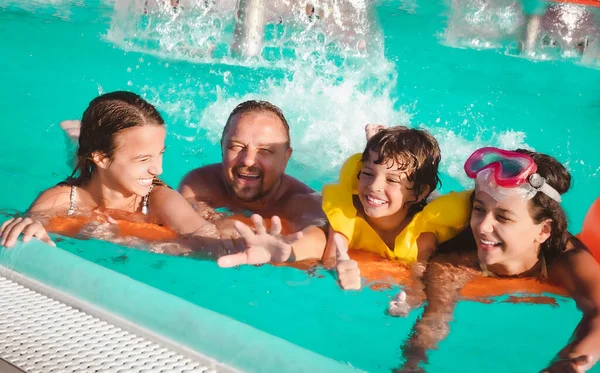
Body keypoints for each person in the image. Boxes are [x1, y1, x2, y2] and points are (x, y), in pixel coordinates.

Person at [397, 147, 600, 373]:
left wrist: (568, 363)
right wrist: (412, 364)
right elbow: (434, 319)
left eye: (503, 217)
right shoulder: (454, 262)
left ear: (543, 231)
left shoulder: (567, 260)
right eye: (478, 209)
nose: (483, 227)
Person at [0, 91, 219, 253]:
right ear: (102, 157)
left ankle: (82, 140)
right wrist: (29, 229)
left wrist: (126, 237)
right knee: (79, 160)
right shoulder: (60, 201)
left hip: (103, 164)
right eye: (144, 158)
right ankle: (77, 140)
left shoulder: (159, 199)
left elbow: (210, 242)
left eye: (160, 153)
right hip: (96, 164)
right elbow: (25, 232)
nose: (158, 169)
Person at [317, 125, 471, 304]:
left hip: (418, 202)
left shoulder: (422, 237)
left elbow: (418, 285)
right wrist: (337, 267)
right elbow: (332, 255)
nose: (374, 186)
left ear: (419, 192)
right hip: (401, 197)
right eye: (367, 173)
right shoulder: (350, 210)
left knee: (430, 200)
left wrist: (405, 304)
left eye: (391, 179)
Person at [178, 100, 327, 267]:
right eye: (236, 146)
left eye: (264, 151)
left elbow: (318, 239)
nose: (248, 161)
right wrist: (218, 223)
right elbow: (183, 224)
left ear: (286, 158)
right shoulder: (200, 184)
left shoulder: (304, 202)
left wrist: (284, 251)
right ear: (222, 147)